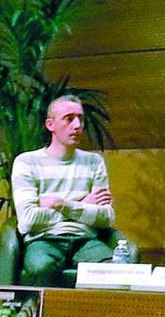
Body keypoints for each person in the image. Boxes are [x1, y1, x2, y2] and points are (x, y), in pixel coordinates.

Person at [12, 95, 115, 287]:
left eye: (80, 118)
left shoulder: (94, 162)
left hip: (85, 240)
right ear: (50, 124)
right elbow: (28, 220)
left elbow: (106, 217)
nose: (77, 125)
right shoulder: (27, 162)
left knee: (114, 269)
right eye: (69, 118)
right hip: (44, 240)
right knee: (41, 267)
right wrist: (84, 206)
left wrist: (61, 204)